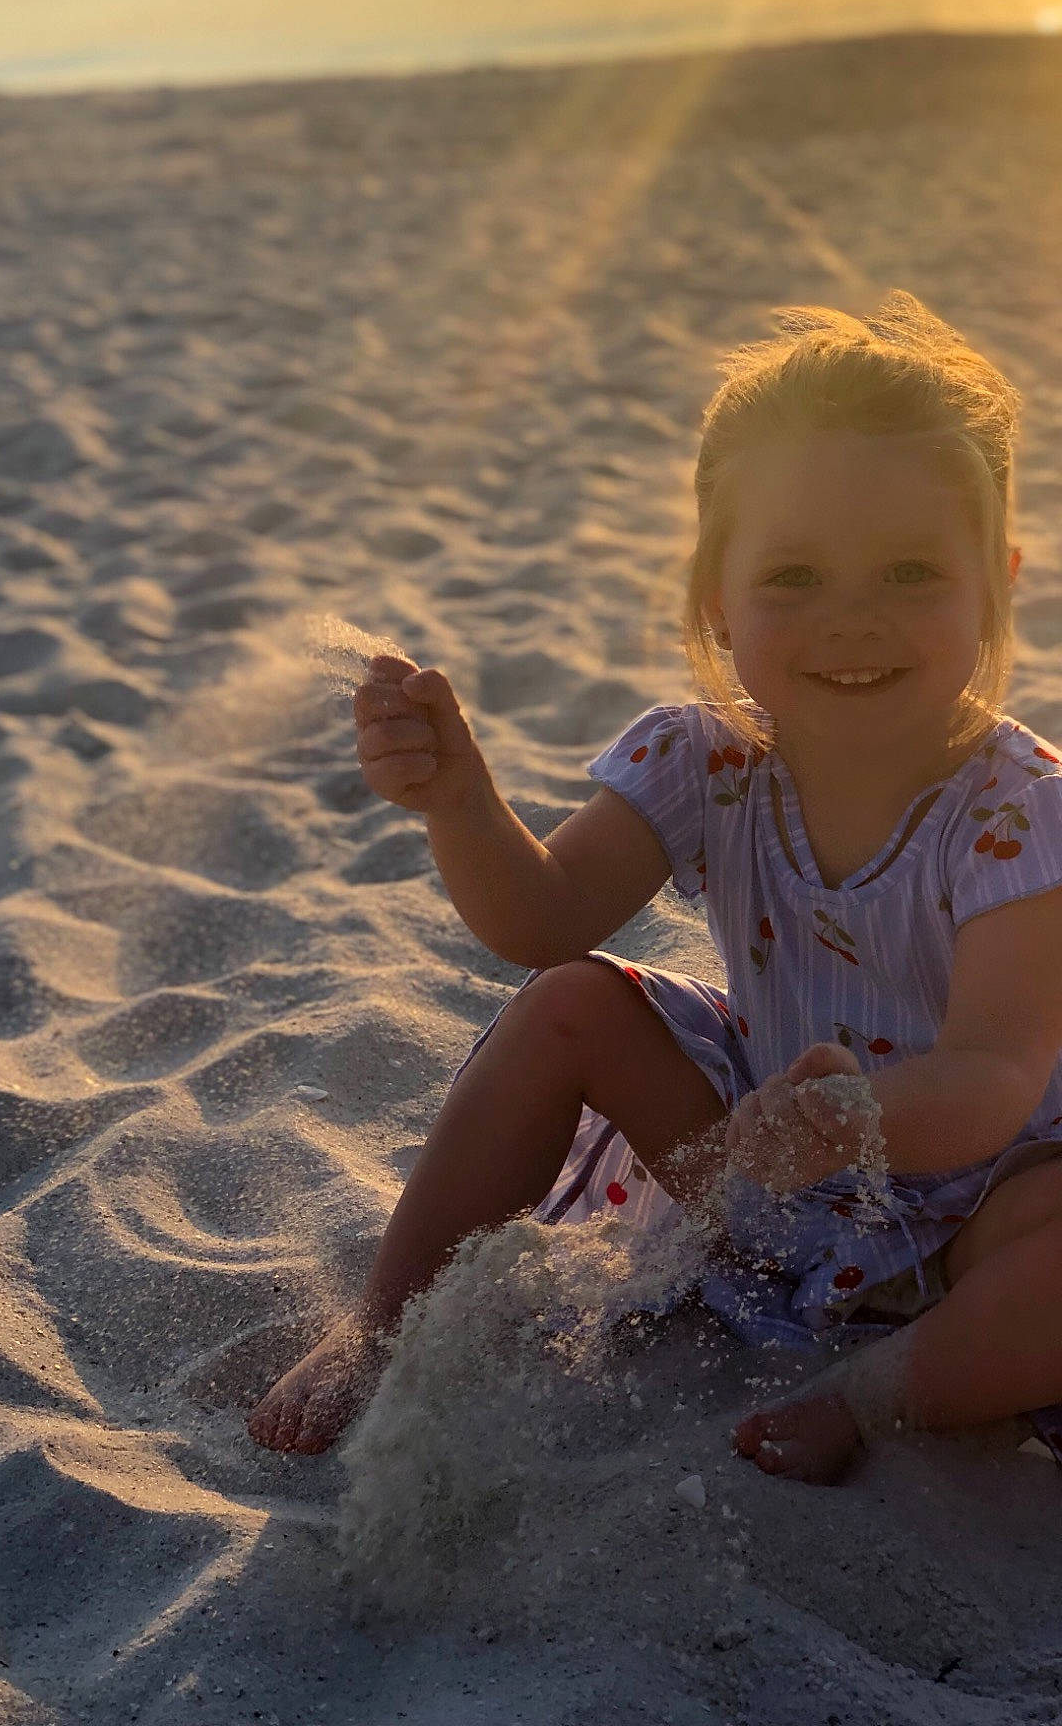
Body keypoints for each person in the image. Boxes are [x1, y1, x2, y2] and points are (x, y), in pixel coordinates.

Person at [246, 291, 1062, 1481]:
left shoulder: (1018, 805)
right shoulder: (703, 758)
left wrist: (863, 1120)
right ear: (711, 598)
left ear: (995, 581)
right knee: (570, 1002)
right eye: (792, 574)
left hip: (987, 1178)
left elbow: (996, 1070)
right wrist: (461, 803)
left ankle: (881, 1390)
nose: (852, 617)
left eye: (909, 570)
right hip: (759, 1148)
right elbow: (539, 918)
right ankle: (379, 1326)